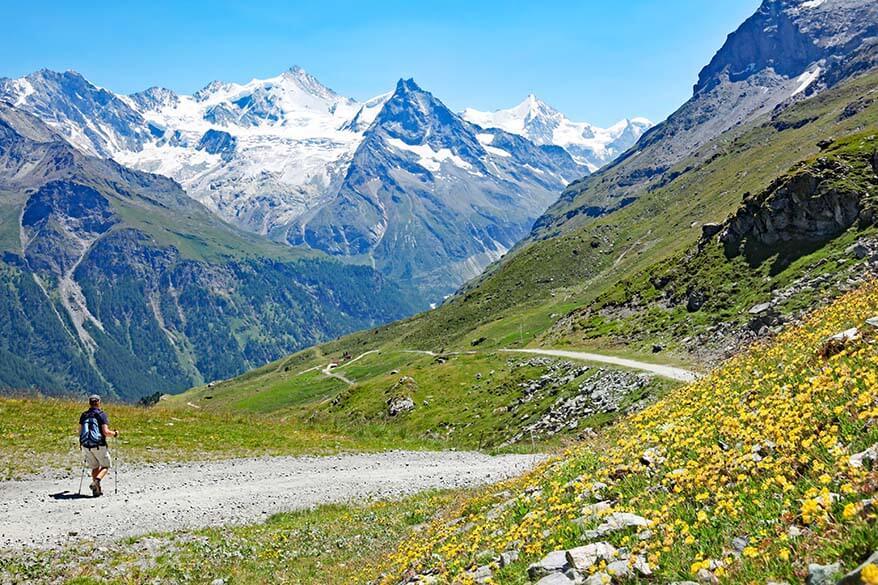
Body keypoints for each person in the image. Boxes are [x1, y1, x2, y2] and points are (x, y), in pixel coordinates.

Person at [78, 394, 119, 497]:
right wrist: (115, 433)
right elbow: (105, 432)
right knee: (106, 465)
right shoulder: (101, 415)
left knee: (95, 467)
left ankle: (97, 490)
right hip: (99, 445)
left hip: (86, 445)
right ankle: (96, 482)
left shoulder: (84, 415)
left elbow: (79, 431)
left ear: (89, 403)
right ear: (99, 402)